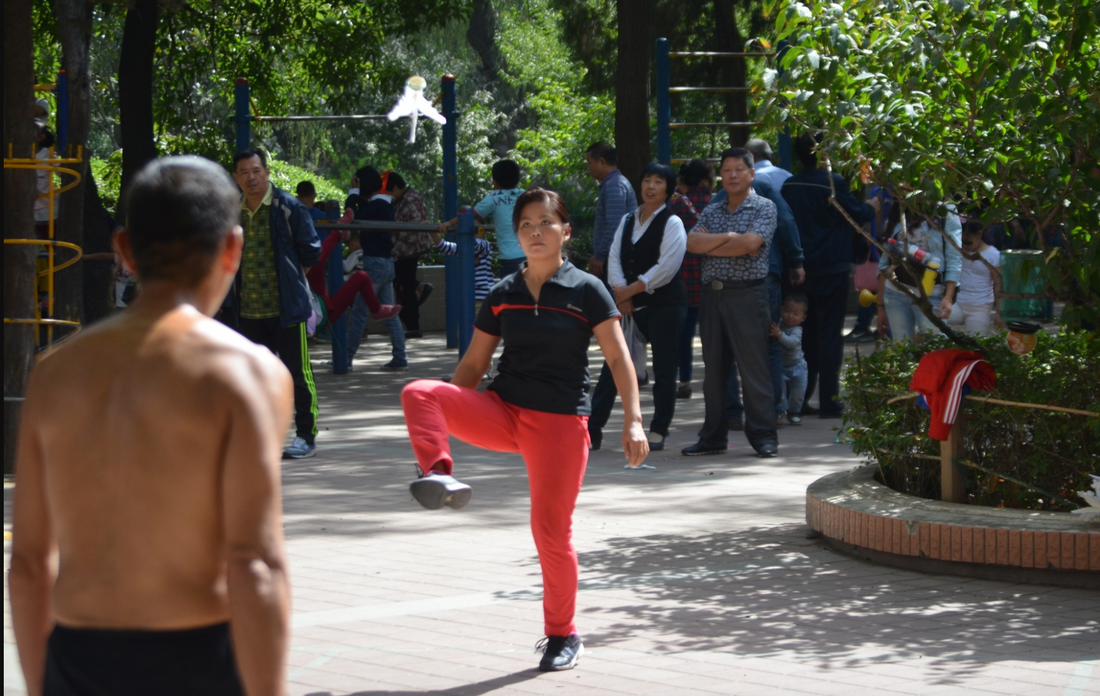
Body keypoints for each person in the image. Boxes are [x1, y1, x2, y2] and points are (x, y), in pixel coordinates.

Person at [10, 156, 291, 696]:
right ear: (232, 248)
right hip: (196, 657)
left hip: (77, 654)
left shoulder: (53, 373)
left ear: (124, 250)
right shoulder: (248, 374)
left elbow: (26, 565)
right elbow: (254, 563)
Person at [400, 188, 648, 672]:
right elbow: (473, 364)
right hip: (504, 410)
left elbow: (618, 357)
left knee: (550, 534)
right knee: (419, 393)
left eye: (546, 223)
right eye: (526, 225)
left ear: (565, 230)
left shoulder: (587, 290)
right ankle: (437, 472)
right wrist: (451, 418)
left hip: (559, 424)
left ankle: (563, 635)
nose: (536, 232)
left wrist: (633, 420)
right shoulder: (503, 292)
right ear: (516, 236)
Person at [681, 148, 779, 459]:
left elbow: (751, 243)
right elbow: (691, 242)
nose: (733, 175)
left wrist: (716, 244)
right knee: (714, 372)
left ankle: (764, 436)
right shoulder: (713, 208)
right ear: (720, 176)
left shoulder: (764, 207)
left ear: (752, 174)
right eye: (727, 170)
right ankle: (713, 437)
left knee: (754, 370)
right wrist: (730, 238)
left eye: (739, 169)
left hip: (748, 295)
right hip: (712, 296)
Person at [229, 148, 322, 458]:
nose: (251, 177)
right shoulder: (232, 211)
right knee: (255, 378)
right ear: (236, 178)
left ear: (267, 172)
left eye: (256, 170)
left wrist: (292, 280)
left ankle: (306, 437)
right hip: (248, 312)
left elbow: (310, 252)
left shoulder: (288, 207)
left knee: (298, 374)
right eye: (244, 172)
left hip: (287, 310)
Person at [589, 162, 687, 452]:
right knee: (612, 367)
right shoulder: (628, 219)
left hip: (665, 305)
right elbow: (615, 256)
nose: (651, 186)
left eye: (658, 181)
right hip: (629, 306)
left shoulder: (673, 222)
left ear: (667, 189)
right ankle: (593, 429)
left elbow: (666, 267)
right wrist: (622, 294)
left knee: (664, 370)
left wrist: (631, 290)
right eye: (647, 180)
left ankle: (658, 429)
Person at [781, 133, 879, 418]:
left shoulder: (790, 185)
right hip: (832, 268)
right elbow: (857, 213)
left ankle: (801, 400)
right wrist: (871, 208)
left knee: (804, 333)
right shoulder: (832, 182)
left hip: (800, 270)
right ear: (824, 153)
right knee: (829, 336)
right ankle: (830, 400)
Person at [711, 174, 804, 430]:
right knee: (769, 342)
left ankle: (732, 412)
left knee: (728, 345)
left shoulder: (721, 196)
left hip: (730, 279)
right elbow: (785, 221)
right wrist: (795, 260)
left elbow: (703, 237)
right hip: (766, 274)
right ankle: (774, 410)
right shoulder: (764, 190)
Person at [344, 166, 408, 370]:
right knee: (389, 314)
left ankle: (345, 359)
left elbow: (351, 213)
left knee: (360, 313)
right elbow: (361, 209)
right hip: (386, 264)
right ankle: (400, 357)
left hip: (375, 265)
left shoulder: (378, 204)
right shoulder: (382, 204)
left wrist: (353, 192)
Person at [876, 203, 962, 341]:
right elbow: (884, 265)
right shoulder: (897, 211)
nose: (903, 184)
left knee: (936, 351)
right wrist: (880, 307)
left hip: (931, 295)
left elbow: (954, 257)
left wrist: (948, 297)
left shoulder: (945, 211)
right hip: (895, 294)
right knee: (903, 354)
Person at [438, 160, 527, 277]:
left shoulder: (494, 197)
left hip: (509, 258)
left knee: (512, 292)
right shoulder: (525, 195)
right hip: (530, 255)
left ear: (495, 182)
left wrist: (449, 223)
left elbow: (469, 215)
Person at [670, 159, 712, 400]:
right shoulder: (717, 203)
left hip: (683, 280)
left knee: (684, 336)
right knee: (713, 335)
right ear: (705, 180)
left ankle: (684, 381)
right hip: (711, 278)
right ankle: (716, 381)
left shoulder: (674, 207)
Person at [390, 172, 434, 338]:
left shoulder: (409, 200)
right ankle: (419, 287)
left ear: (395, 187)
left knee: (404, 287)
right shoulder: (406, 197)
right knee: (403, 283)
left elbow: (416, 227)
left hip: (408, 250)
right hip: (404, 250)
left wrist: (396, 232)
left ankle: (412, 326)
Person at [586, 142, 638, 279]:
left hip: (614, 258)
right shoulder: (616, 183)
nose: (588, 168)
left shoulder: (614, 186)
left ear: (602, 162)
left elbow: (615, 225)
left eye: (590, 163)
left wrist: (600, 256)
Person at [949, 220, 1000, 335]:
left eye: (968, 242)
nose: (964, 246)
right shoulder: (959, 251)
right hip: (957, 302)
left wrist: (999, 312)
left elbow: (998, 285)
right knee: (938, 322)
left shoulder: (993, 255)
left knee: (976, 342)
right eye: (961, 242)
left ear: (979, 234)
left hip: (980, 306)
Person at [771, 293, 809, 425]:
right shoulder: (778, 325)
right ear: (781, 310)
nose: (790, 316)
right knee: (779, 390)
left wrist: (779, 335)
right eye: (787, 311)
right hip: (781, 366)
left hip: (798, 366)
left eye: (796, 314)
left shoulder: (797, 330)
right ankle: (781, 411)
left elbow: (792, 343)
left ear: (803, 317)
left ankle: (794, 412)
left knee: (798, 393)